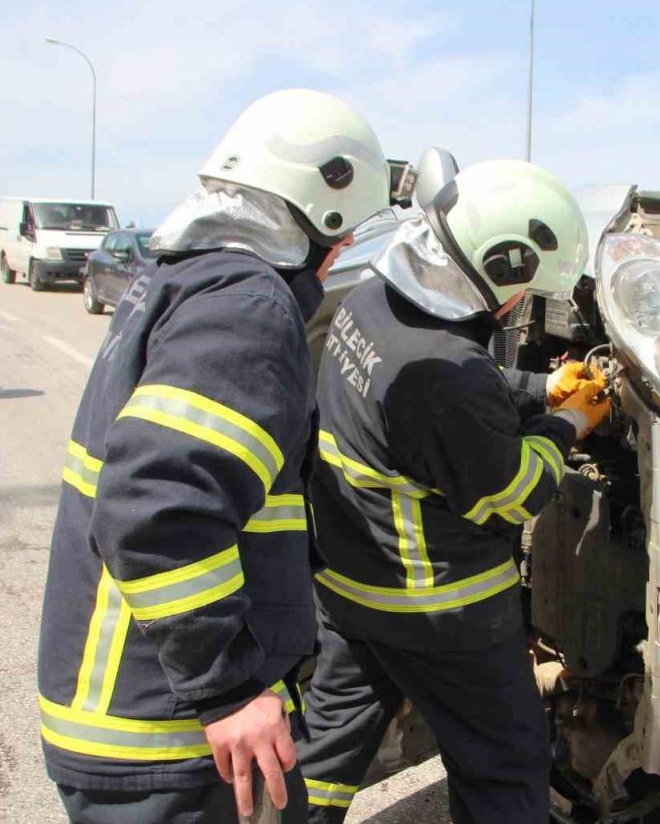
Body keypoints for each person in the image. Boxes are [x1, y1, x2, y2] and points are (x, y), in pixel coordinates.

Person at [36, 89, 389, 824]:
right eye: (347, 234)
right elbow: (158, 506)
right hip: (172, 742)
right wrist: (226, 689)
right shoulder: (248, 305)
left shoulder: (180, 280)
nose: (344, 253)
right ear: (320, 218)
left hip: (135, 719)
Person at [296, 159, 611, 823]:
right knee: (505, 758)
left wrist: (538, 389)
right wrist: (570, 420)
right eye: (521, 286)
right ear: (500, 268)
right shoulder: (448, 377)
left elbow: (446, 394)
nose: (518, 303)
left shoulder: (373, 301)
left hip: (349, 583)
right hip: (437, 608)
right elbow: (510, 493)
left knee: (328, 746)